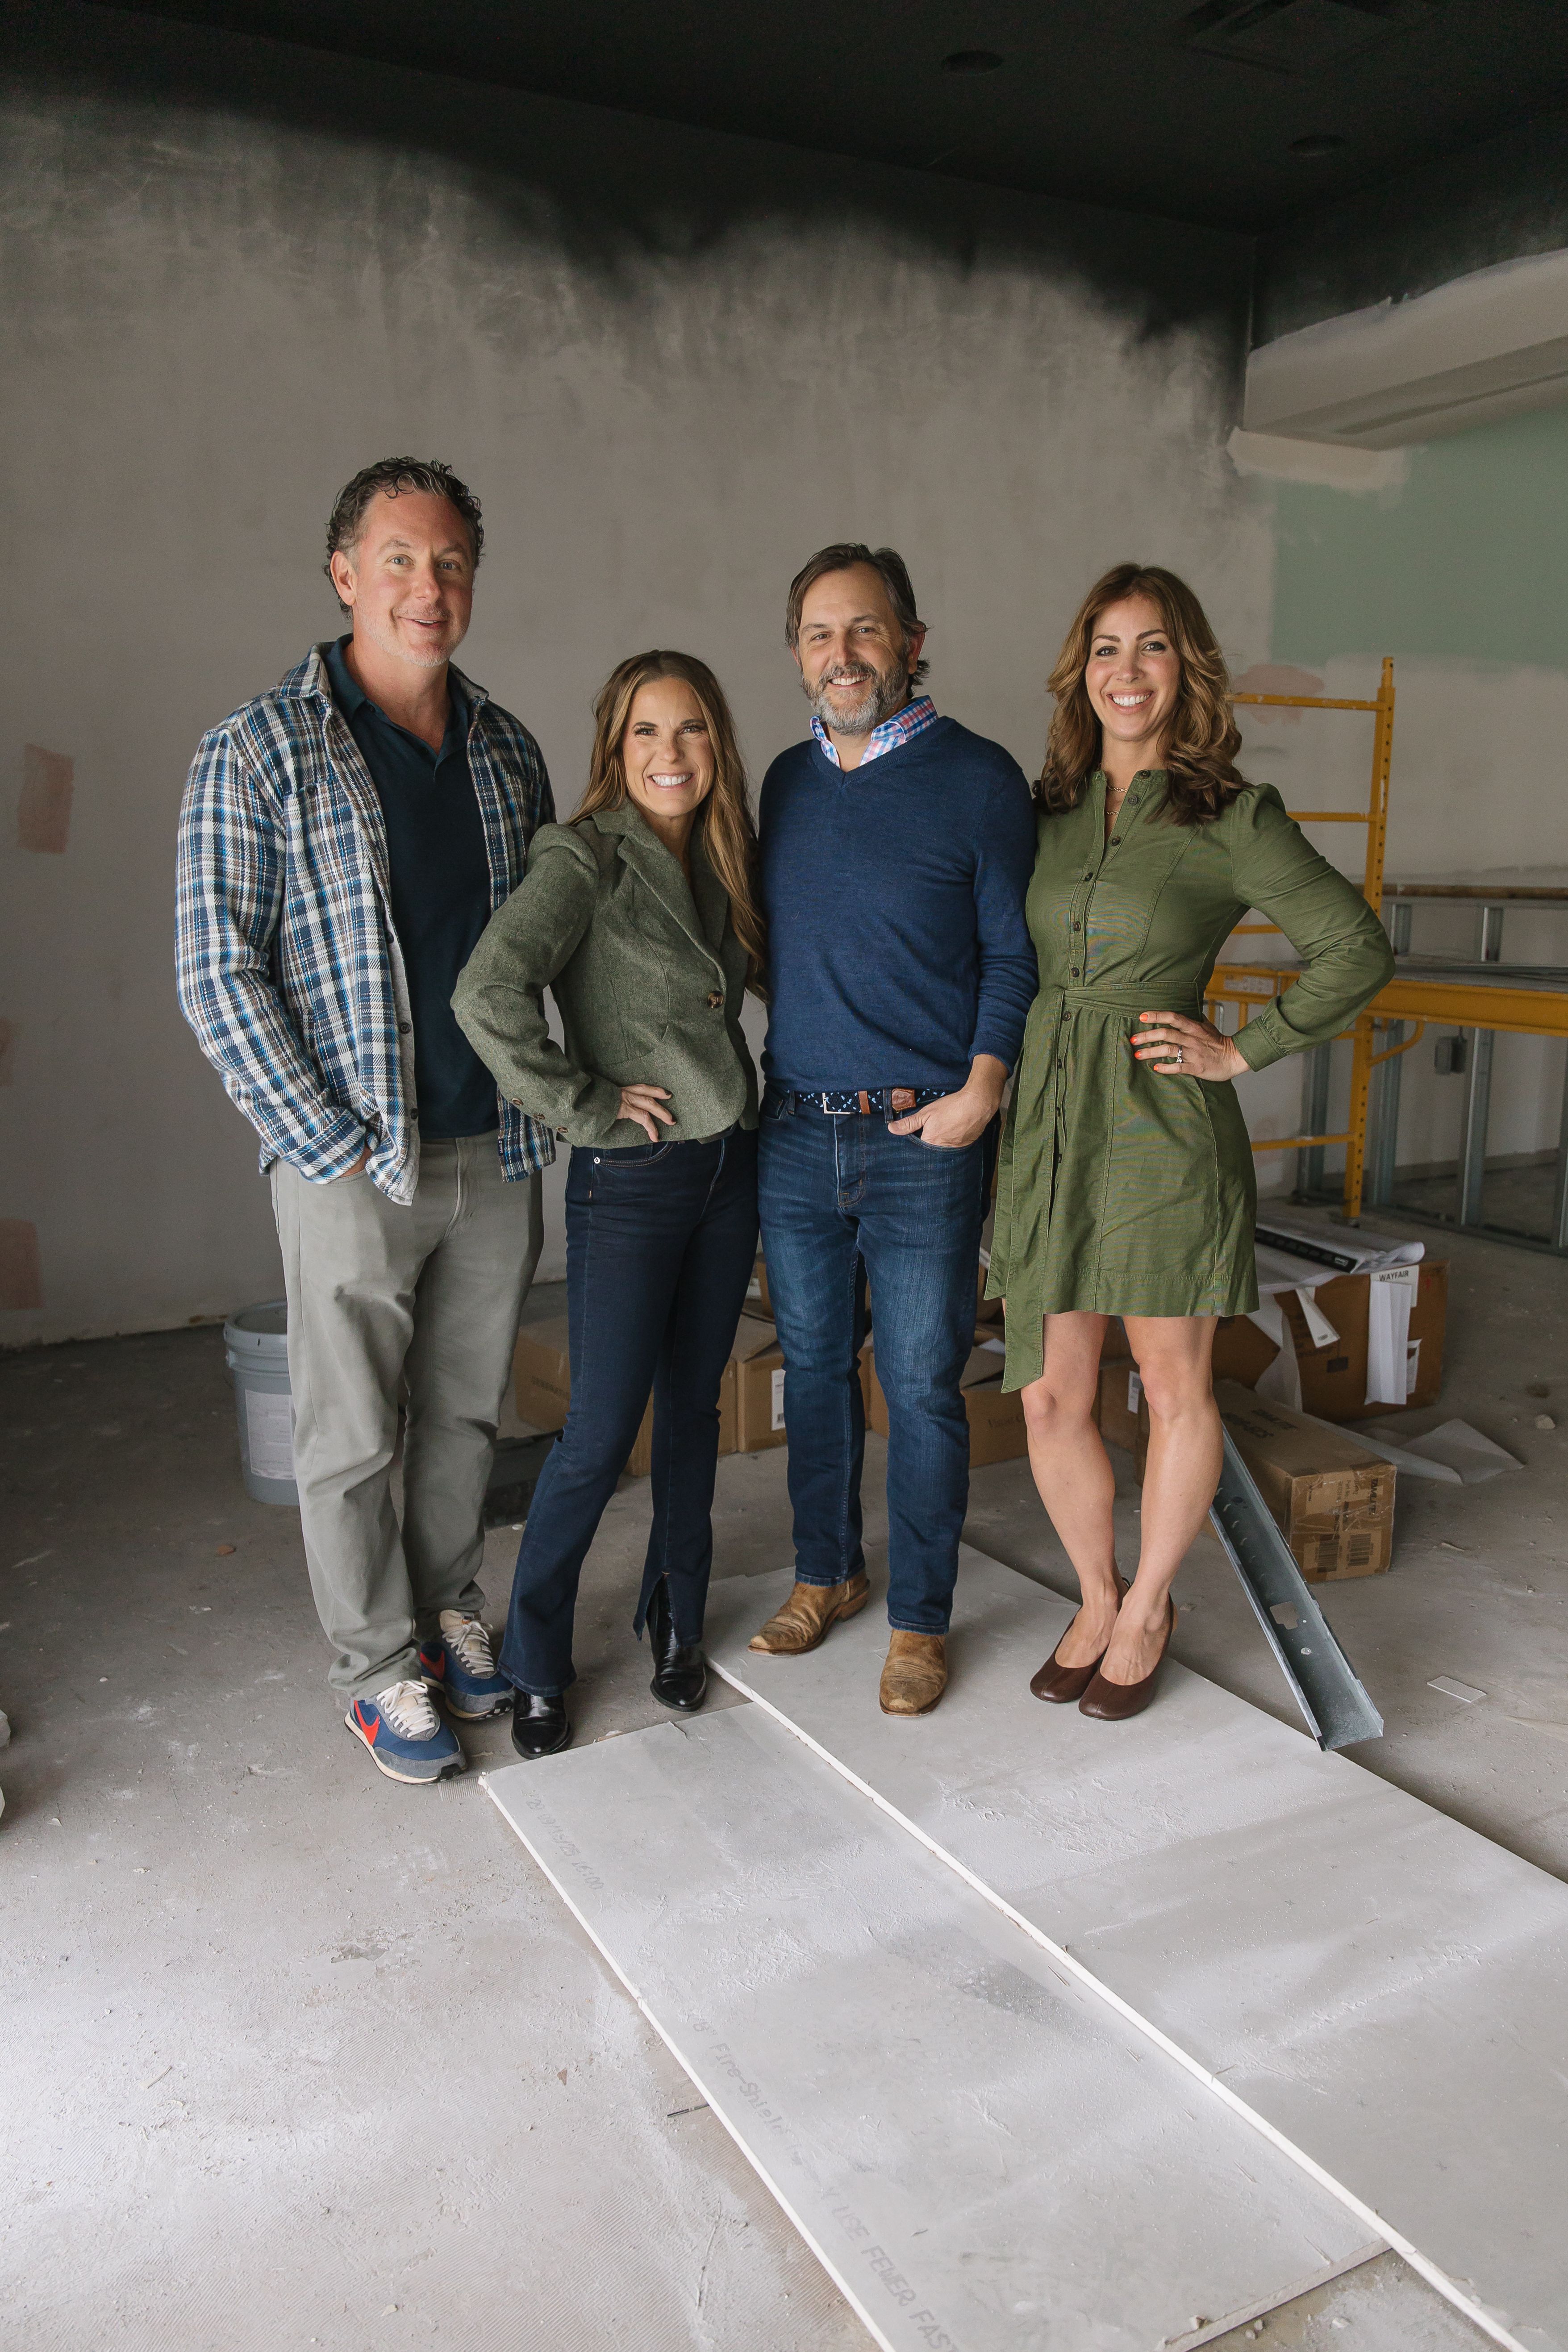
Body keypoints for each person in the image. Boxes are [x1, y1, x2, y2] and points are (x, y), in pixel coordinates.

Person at [176, 458, 555, 1785]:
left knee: (462, 1415)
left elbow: (539, 945)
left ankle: (450, 1610)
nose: (427, 586)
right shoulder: (260, 746)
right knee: (348, 1434)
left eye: (449, 561)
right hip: (354, 1154)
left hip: (496, 1149)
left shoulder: (507, 750)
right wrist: (323, 1140)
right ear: (345, 576)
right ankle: (376, 1669)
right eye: (398, 559)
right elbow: (216, 968)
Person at [991, 562, 1396, 1720]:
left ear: (1189, 668)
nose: (1129, 670)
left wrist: (1245, 1048)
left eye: (1154, 646)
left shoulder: (1232, 815)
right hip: (1051, 1122)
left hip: (1162, 1123)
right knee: (1050, 1394)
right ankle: (1094, 1588)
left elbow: (1354, 947)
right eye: (1108, 647)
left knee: (1173, 1384)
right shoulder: (1048, 809)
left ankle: (1153, 1600)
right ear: (1083, 670)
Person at [453, 651, 763, 1760]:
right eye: (645, 733)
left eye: (689, 731)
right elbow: (485, 994)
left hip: (731, 1165)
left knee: (690, 1414)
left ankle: (677, 1614)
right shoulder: (581, 859)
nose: (668, 754)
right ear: (614, 748)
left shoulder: (727, 855)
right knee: (595, 1434)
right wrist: (580, 1107)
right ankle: (537, 1661)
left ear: (715, 744)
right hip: (632, 1178)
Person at [746, 544, 1037, 1717]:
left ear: (914, 641)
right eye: (819, 633)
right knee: (811, 1372)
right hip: (797, 1131)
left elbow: (1014, 953)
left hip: (927, 1141)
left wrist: (983, 1089)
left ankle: (919, 1619)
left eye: (865, 630)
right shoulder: (782, 782)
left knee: (919, 1388)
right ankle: (829, 1572)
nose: (842, 654)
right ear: (798, 654)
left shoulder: (980, 778)